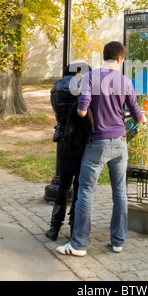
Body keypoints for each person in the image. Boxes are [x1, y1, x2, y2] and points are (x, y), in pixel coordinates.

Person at [56, 41, 146, 256]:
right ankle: (117, 241)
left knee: (86, 192)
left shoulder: (91, 77)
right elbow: (136, 113)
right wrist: (142, 118)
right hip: (119, 143)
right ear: (120, 59)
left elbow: (81, 110)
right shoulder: (125, 81)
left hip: (97, 144)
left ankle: (78, 245)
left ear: (104, 56)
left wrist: (85, 111)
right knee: (120, 193)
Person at [45, 63, 94, 241]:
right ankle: (74, 227)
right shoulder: (84, 87)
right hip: (81, 142)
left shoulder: (56, 87)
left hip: (64, 139)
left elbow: (56, 110)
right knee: (79, 186)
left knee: (63, 185)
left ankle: (54, 227)